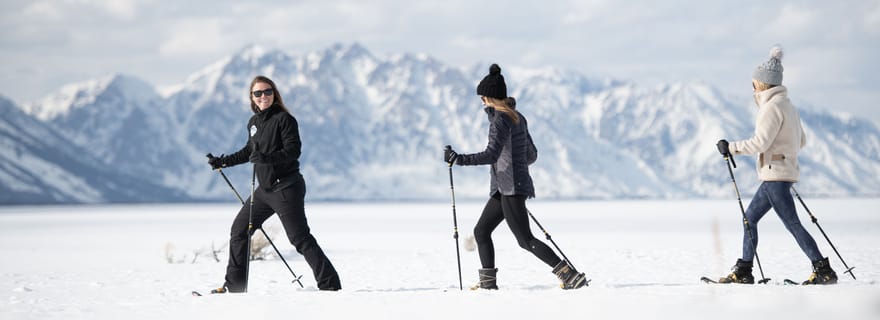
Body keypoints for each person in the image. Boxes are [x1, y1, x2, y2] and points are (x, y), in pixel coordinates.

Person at [444, 64, 587, 290]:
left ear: (491, 98)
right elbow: (531, 155)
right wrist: (514, 170)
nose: (481, 101)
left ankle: (569, 276)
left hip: (510, 187)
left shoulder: (500, 120)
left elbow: (491, 154)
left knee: (525, 240)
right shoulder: (517, 117)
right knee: (482, 231)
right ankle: (488, 285)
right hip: (507, 187)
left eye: (483, 97)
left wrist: (458, 159)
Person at [207, 75, 341, 292]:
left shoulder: (285, 120)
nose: (263, 96)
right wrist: (223, 162)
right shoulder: (254, 123)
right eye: (257, 93)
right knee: (239, 231)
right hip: (265, 191)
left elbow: (293, 151)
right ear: (251, 97)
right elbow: (249, 151)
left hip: (286, 187)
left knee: (299, 238)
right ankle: (235, 287)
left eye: (267, 92)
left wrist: (267, 158)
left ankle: (330, 285)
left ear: (274, 94)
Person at [715, 46, 837, 285]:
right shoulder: (788, 106)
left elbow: (760, 143)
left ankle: (822, 269)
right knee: (750, 218)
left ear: (762, 84)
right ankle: (744, 269)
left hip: (774, 176)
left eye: (754, 83)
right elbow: (801, 140)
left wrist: (731, 147)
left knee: (792, 224)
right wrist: (784, 155)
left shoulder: (770, 108)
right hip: (781, 174)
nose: (752, 87)